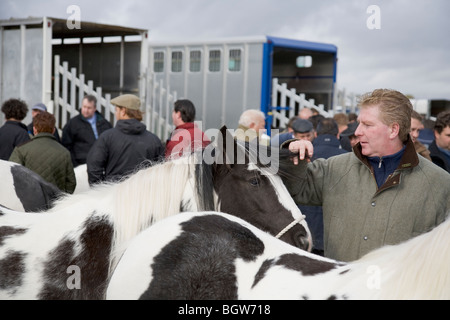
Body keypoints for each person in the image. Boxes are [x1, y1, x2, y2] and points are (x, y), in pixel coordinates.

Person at [283, 89, 450, 262]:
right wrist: (287, 153)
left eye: (368, 125)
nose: (357, 131)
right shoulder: (334, 168)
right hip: (340, 287)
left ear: (393, 130)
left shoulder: (440, 185)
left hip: (400, 289)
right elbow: (279, 184)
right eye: (359, 123)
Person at [87, 94, 164, 185]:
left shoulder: (107, 137)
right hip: (142, 196)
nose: (115, 114)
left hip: (113, 194)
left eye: (116, 110)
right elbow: (161, 172)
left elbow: (93, 168)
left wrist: (101, 191)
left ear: (123, 111)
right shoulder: (154, 140)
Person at [298, 118, 348, 256]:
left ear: (316, 134)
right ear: (338, 136)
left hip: (306, 231)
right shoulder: (349, 159)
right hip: (336, 234)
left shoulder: (303, 156)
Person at [9, 112, 76, 194]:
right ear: (53, 130)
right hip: (55, 203)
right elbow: (71, 183)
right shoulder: (65, 152)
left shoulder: (21, 150)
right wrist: (61, 200)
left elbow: (11, 176)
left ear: (34, 129)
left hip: (27, 202)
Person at [62, 95, 112, 167]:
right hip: (81, 164)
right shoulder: (72, 124)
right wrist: (74, 164)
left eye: (89, 108)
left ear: (94, 108)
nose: (85, 110)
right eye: (84, 107)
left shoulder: (104, 123)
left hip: (102, 163)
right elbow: (66, 146)